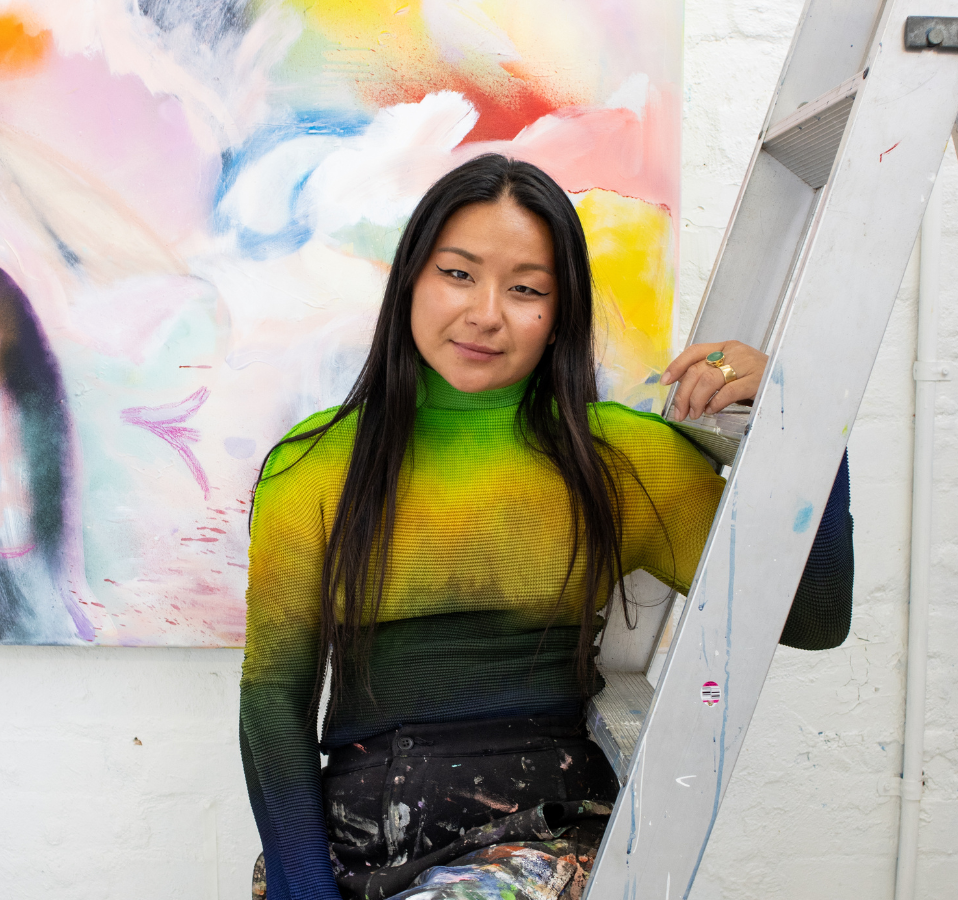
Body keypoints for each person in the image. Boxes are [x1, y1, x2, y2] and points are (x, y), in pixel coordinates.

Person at [240, 154, 853, 900]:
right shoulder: (311, 468)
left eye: (527, 289)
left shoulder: (616, 458)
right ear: (410, 280)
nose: (486, 313)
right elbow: (275, 700)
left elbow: (812, 617)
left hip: (540, 836)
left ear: (559, 313)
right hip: (353, 843)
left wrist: (802, 419)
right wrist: (305, 891)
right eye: (457, 274)